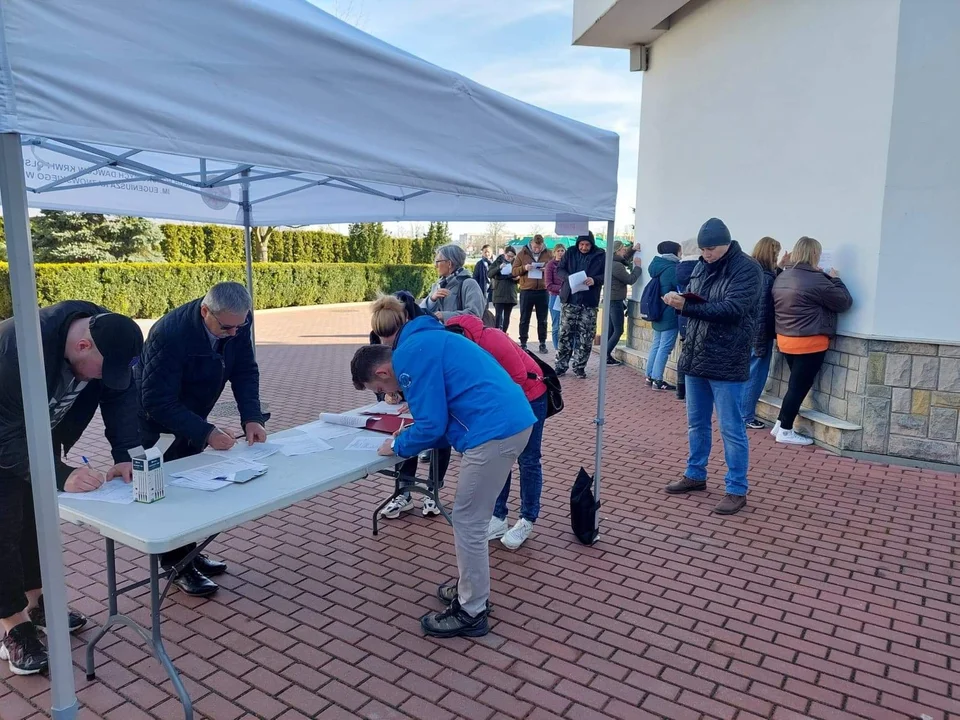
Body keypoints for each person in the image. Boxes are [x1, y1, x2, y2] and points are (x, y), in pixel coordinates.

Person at [351, 319, 534, 638]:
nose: (389, 394)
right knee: (470, 520)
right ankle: (470, 589)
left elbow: (433, 425)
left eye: (381, 391)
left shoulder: (408, 358)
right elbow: (445, 407)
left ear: (382, 372)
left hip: (493, 432)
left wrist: (397, 444)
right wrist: (418, 426)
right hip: (508, 421)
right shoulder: (425, 340)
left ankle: (472, 610)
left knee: (468, 521)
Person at [0, 302, 143, 675]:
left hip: (32, 437)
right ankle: (13, 627)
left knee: (36, 520)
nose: (101, 379)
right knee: (2, 529)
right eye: (101, 370)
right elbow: (4, 433)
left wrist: (126, 453)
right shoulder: (20, 349)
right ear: (82, 347)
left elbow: (119, 393)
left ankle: (37, 603)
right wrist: (60, 475)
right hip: (3, 435)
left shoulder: (108, 334)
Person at [137, 282, 268, 597]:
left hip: (192, 414)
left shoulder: (235, 324)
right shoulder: (169, 334)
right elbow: (155, 400)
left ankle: (190, 554)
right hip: (156, 424)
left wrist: (252, 417)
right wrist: (206, 432)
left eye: (241, 326)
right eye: (226, 327)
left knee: (193, 489)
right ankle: (177, 565)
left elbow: (246, 372)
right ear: (205, 311)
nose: (234, 333)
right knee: (172, 493)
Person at [663, 218, 762, 516]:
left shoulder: (747, 269)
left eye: (711, 249)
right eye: (703, 249)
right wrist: (681, 300)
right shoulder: (701, 266)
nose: (706, 254)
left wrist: (687, 306)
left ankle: (736, 488)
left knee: (731, 428)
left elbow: (733, 310)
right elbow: (698, 302)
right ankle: (695, 473)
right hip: (696, 356)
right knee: (696, 423)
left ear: (727, 243)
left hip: (727, 359)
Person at [445, 315, 546, 550]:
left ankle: (527, 519)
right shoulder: (460, 347)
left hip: (530, 397)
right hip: (500, 403)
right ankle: (499, 517)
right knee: (500, 457)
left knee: (529, 459)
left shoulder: (492, 339)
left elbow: (519, 376)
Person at [369, 293, 449, 519]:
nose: (386, 343)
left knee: (434, 433)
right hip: (407, 398)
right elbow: (378, 371)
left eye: (390, 337)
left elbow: (434, 416)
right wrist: (388, 394)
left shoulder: (421, 336)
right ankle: (403, 491)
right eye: (380, 337)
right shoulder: (381, 335)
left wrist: (415, 400)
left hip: (429, 394)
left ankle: (433, 488)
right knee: (405, 431)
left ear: (402, 322)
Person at [771, 236, 853, 445]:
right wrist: (835, 279)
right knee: (799, 386)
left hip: (785, 338)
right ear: (815, 254)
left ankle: (780, 423)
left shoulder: (783, 276)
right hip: (809, 341)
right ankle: (786, 431)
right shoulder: (817, 279)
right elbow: (844, 302)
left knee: (794, 384)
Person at [742, 237, 782, 430]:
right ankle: (746, 416)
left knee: (748, 372)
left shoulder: (751, 272)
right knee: (756, 374)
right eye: (777, 253)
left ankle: (741, 413)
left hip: (747, 330)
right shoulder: (767, 278)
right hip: (760, 333)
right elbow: (763, 311)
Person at [555, 232, 605, 379]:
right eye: (581, 244)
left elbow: (607, 274)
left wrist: (595, 280)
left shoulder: (601, 255)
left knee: (586, 336)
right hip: (570, 299)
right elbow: (560, 269)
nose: (584, 247)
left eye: (587, 245)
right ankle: (561, 366)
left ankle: (580, 366)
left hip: (589, 301)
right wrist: (568, 278)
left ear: (592, 244)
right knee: (565, 334)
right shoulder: (570, 252)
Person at [645, 241, 682, 389]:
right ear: (674, 252)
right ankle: (658, 380)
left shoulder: (657, 266)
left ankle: (649, 376)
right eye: (680, 251)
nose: (681, 254)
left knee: (656, 345)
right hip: (669, 312)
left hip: (657, 311)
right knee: (665, 348)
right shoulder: (672, 269)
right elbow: (680, 287)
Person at [421, 244, 485, 321]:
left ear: (449, 263)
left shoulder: (469, 284)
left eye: (437, 261)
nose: (435, 265)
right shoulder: (438, 285)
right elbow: (420, 312)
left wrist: (444, 316)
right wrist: (431, 300)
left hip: (460, 333)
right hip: (439, 332)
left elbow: (475, 315)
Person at [512, 234, 553, 354]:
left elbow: (555, 269)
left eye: (539, 248)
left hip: (542, 290)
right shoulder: (522, 253)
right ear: (531, 244)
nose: (537, 250)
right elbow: (514, 271)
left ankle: (542, 343)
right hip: (526, 290)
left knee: (543, 319)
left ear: (542, 245)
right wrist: (524, 268)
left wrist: (546, 270)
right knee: (524, 318)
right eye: (535, 247)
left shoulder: (548, 254)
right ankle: (523, 342)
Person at [606, 241, 643, 365]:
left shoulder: (612, 261)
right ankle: (606, 355)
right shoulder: (616, 265)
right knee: (618, 330)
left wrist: (632, 250)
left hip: (610, 300)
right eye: (622, 249)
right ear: (617, 251)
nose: (624, 251)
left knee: (611, 330)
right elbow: (630, 279)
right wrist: (637, 267)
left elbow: (625, 257)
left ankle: (605, 355)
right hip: (615, 301)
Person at [674, 239, 700, 401]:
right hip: (697, 314)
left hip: (683, 315)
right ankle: (692, 390)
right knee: (695, 354)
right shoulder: (699, 268)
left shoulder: (680, 267)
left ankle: (680, 388)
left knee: (685, 353)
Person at [488, 246, 518, 333]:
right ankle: (497, 333)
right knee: (498, 316)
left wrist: (517, 278)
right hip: (499, 293)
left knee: (507, 316)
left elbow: (521, 274)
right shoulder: (498, 261)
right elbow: (489, 274)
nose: (510, 258)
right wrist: (499, 267)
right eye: (508, 256)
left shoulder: (515, 263)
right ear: (504, 254)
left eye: (512, 257)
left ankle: (504, 333)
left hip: (510, 293)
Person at [544, 244, 566, 350]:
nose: (560, 253)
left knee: (567, 325)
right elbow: (548, 285)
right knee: (556, 325)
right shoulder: (550, 265)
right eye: (558, 251)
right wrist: (561, 289)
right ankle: (557, 348)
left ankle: (567, 348)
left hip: (568, 297)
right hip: (555, 297)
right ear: (554, 252)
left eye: (562, 250)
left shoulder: (568, 264)